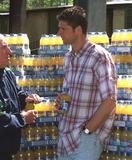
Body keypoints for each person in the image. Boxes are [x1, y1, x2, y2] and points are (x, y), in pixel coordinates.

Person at [55, 6, 117, 160]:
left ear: (78, 30)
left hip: (86, 141)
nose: (59, 33)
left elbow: (110, 101)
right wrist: (62, 101)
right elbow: (71, 95)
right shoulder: (69, 57)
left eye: (63, 29)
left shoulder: (99, 56)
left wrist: (88, 131)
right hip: (66, 137)